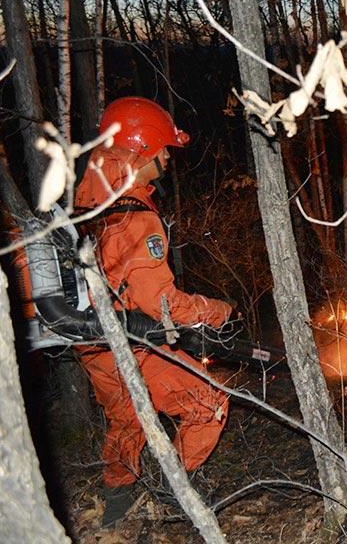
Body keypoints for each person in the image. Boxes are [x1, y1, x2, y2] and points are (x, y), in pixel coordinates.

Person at [74, 97, 233, 527]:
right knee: (207, 402)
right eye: (161, 150)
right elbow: (163, 305)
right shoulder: (136, 220)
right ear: (139, 152)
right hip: (132, 343)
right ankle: (171, 493)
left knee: (127, 420)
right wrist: (216, 311)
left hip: (95, 344)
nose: (166, 158)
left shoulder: (92, 197)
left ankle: (118, 505)